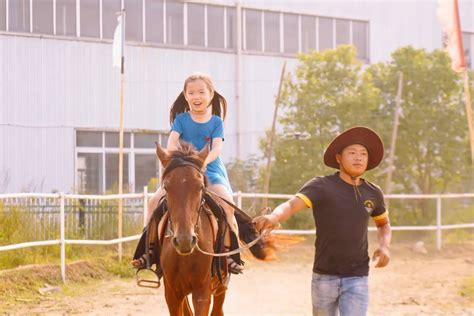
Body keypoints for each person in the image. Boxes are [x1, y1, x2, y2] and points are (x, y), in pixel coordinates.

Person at [253, 126, 392, 316]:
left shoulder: (373, 192)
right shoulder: (321, 186)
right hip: (324, 276)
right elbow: (292, 205)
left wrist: (384, 246)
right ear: (338, 158)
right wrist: (273, 216)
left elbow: (383, 224)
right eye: (352, 153)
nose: (358, 158)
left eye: (363, 154)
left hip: (357, 277)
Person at [132, 72, 243, 274]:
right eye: (191, 92)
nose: (196, 96)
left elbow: (217, 148)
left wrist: (200, 162)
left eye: (201, 92)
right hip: (182, 171)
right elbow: (172, 142)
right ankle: (148, 249)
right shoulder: (181, 119)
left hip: (210, 170)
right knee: (153, 202)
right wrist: (173, 158)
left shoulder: (216, 122)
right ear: (185, 95)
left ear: (210, 95)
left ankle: (229, 255)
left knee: (228, 206)